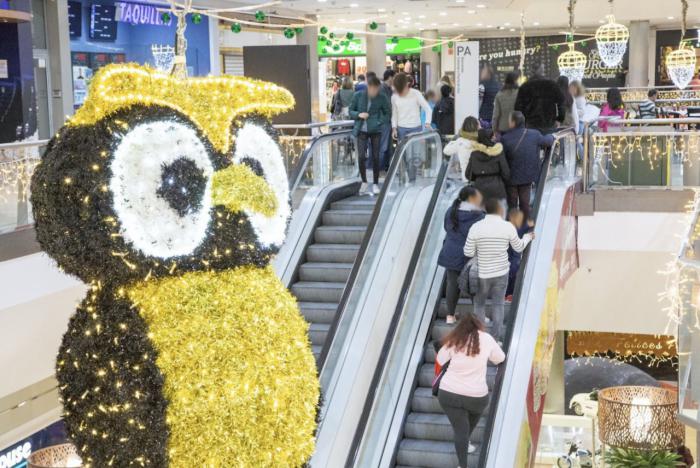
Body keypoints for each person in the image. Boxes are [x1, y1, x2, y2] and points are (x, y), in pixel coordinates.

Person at [436, 312, 505, 467]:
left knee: (461, 429)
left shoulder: (455, 339)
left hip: (449, 393)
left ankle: (462, 465)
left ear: (460, 326)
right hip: (476, 397)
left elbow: (440, 359)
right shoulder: (486, 339)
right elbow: (500, 358)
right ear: (479, 325)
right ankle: (465, 443)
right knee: (465, 428)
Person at [464, 198, 533, 340]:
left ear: (485, 210)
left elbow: (468, 252)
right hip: (501, 273)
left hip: (481, 273)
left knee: (479, 305)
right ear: (500, 211)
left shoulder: (476, 227)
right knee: (498, 305)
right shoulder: (507, 227)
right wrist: (527, 237)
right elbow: (518, 247)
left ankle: (481, 339)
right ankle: (495, 339)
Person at [437, 187, 485, 324]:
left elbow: (447, 228)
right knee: (474, 285)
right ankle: (479, 316)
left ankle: (450, 316)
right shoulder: (479, 216)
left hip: (450, 252)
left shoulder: (451, 211)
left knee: (452, 284)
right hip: (469, 255)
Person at [500, 111, 554, 222]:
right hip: (527, 175)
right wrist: (552, 135)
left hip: (511, 177)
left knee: (512, 204)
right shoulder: (534, 134)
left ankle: (512, 227)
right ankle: (526, 225)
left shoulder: (505, 138)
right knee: (525, 203)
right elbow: (548, 141)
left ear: (513, 123)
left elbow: (502, 158)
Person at [349, 76, 390, 195]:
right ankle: (364, 181)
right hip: (361, 130)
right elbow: (350, 111)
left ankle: (376, 183)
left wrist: (379, 121)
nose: (375, 91)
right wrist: (359, 114)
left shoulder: (381, 97)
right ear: (368, 87)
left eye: (377, 89)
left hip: (376, 130)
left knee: (376, 157)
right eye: (373, 88)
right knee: (361, 156)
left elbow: (387, 112)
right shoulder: (358, 96)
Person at [465, 131, 510, 206]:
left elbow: (467, 174)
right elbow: (506, 173)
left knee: (480, 215)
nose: (494, 138)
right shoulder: (498, 151)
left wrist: (477, 177)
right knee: (498, 214)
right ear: (489, 138)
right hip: (497, 187)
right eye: (493, 137)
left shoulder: (474, 154)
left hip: (479, 189)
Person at [391, 72, 433, 141]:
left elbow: (428, 109)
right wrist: (394, 128)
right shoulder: (394, 97)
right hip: (401, 129)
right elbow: (394, 114)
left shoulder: (416, 93)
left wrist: (427, 123)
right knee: (404, 151)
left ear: (406, 84)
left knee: (417, 151)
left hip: (416, 128)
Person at [505, 208, 532, 299]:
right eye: (519, 218)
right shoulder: (512, 229)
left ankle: (508, 295)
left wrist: (527, 226)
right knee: (511, 278)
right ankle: (508, 295)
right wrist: (528, 226)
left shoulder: (511, 227)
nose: (521, 221)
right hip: (512, 262)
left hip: (511, 262)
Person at [444, 116, 480, 182]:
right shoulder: (481, 140)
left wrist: (454, 139)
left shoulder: (460, 141)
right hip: (481, 177)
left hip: (467, 178)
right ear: (477, 127)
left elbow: (446, 150)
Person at [492, 71, 519, 137]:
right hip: (518, 128)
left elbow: (496, 115)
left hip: (503, 129)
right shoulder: (520, 93)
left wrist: (494, 130)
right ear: (515, 81)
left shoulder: (499, 94)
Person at [380, 69, 396, 170]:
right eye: (394, 77)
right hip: (384, 121)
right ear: (390, 77)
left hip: (388, 121)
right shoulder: (382, 88)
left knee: (388, 146)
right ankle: (381, 168)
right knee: (383, 146)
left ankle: (386, 167)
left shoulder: (389, 88)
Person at [479, 63, 500, 128]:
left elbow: (479, 103)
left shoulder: (482, 85)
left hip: (484, 116)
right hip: (494, 116)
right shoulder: (498, 85)